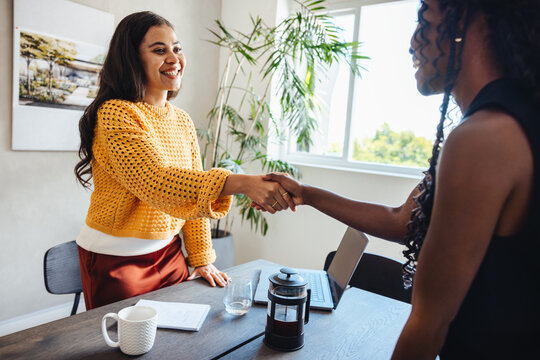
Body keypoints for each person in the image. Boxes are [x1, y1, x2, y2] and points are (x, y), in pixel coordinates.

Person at [258, 0, 540, 358]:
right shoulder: (513, 121)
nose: (411, 42)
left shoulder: (484, 138)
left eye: (424, 20)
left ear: (467, 22)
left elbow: (429, 323)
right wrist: (307, 194)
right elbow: (403, 220)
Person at [74, 11, 294, 310]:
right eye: (159, 50)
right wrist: (239, 183)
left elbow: (192, 201)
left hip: (170, 253)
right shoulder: (117, 113)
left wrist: (201, 258)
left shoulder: (181, 120)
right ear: (131, 58)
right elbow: (158, 182)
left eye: (177, 48)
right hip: (117, 259)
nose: (173, 58)